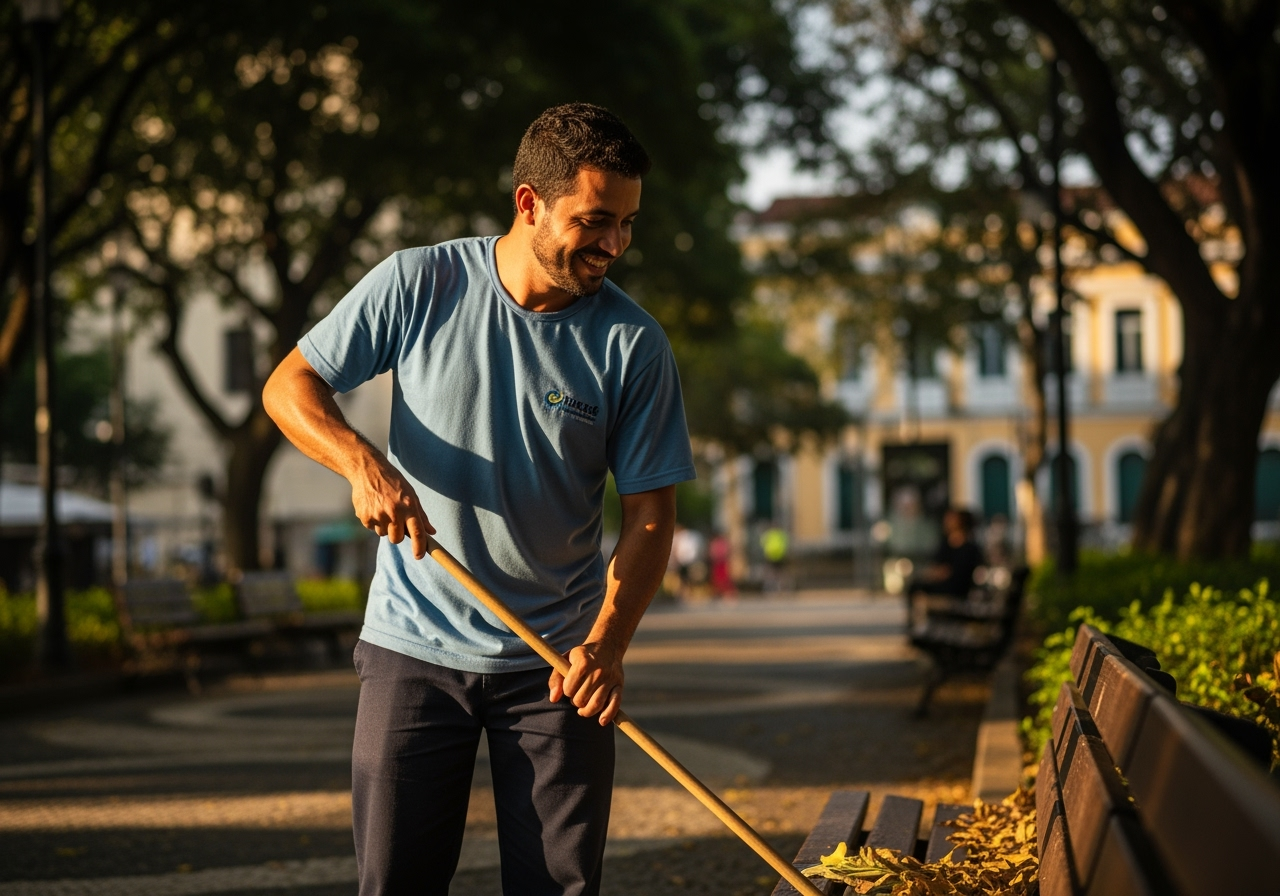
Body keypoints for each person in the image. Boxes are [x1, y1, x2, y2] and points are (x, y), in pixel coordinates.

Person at [263, 104, 695, 896]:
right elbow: (289, 386)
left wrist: (606, 643)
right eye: (595, 221)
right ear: (530, 202)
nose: (615, 245)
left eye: (629, 224)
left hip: (557, 663)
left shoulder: (634, 344)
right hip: (412, 650)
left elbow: (650, 516)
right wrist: (360, 463)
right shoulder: (418, 282)